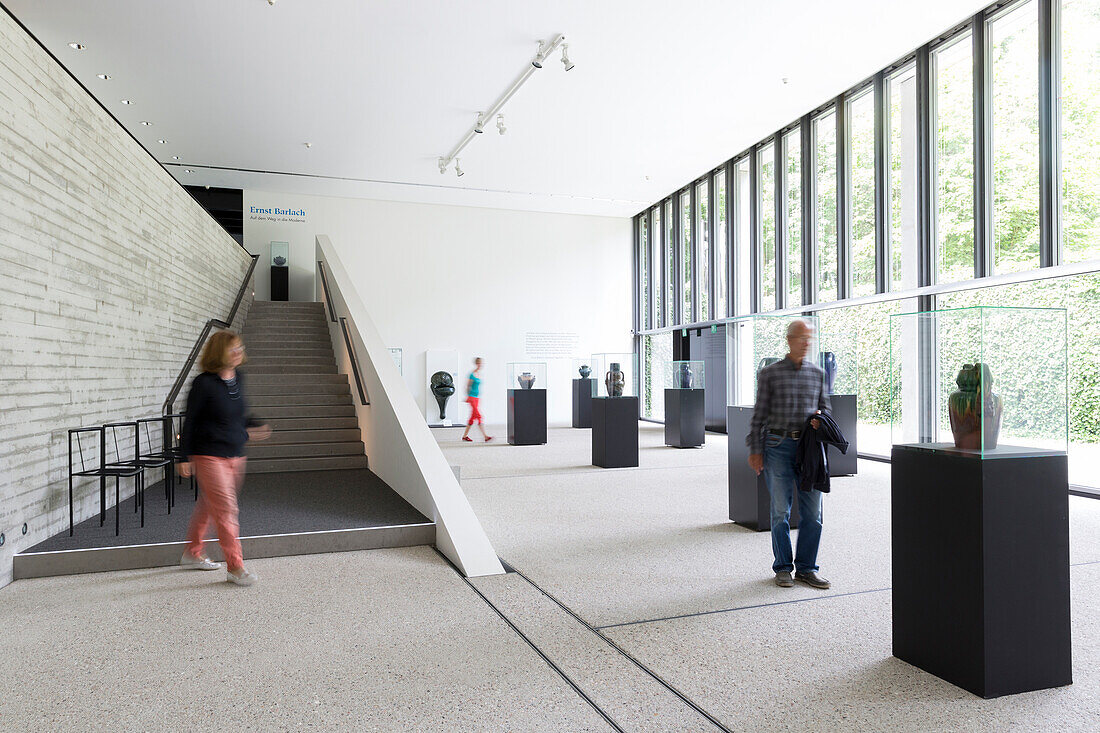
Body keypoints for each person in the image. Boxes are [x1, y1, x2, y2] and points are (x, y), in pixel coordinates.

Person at [177, 330, 270, 586]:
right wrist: (183, 456)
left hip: (236, 454)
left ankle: (192, 552)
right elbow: (191, 421)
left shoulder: (238, 378)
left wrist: (254, 424)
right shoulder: (203, 383)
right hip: (209, 454)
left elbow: (238, 414)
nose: (239, 352)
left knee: (210, 504)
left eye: (240, 347)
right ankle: (235, 567)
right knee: (227, 509)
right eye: (233, 349)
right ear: (219, 352)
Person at [747, 319, 832, 590]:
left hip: (808, 451)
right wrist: (755, 450)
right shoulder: (770, 374)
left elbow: (826, 409)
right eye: (802, 338)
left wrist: (822, 419)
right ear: (789, 339)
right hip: (777, 446)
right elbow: (759, 415)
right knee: (780, 510)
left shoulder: (817, 373)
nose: (807, 343)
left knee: (813, 513)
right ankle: (783, 567)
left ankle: (807, 568)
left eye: (810, 338)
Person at [461, 357, 493, 442]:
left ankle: (464, 436)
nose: (480, 365)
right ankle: (485, 436)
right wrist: (468, 397)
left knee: (472, 418)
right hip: (471, 398)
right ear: (476, 364)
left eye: (481, 363)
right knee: (479, 416)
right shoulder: (472, 374)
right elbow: (468, 386)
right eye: (479, 363)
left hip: (477, 398)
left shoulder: (479, 374)